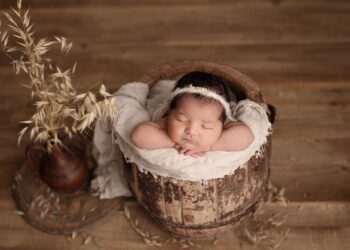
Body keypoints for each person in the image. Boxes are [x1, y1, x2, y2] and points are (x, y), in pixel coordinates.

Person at [131, 71, 254, 157]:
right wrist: (173, 144)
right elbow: (139, 135)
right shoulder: (168, 119)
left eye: (206, 126)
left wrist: (210, 147)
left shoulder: (222, 120)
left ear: (223, 122)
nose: (191, 131)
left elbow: (246, 137)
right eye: (181, 119)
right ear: (170, 111)